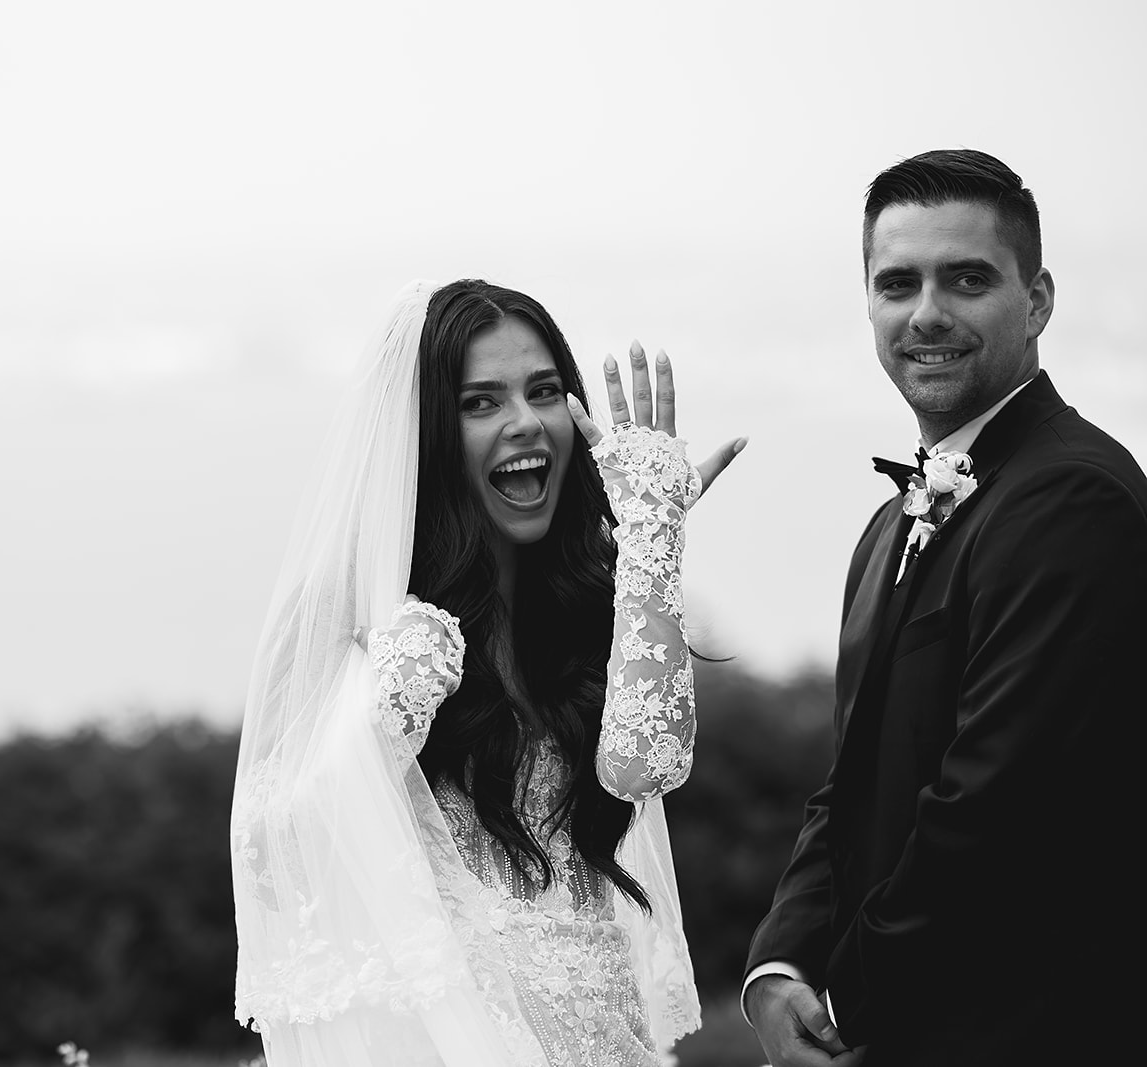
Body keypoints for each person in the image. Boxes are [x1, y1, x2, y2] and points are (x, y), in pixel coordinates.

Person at [231, 279, 744, 1066]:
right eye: (482, 402)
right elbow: (280, 849)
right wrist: (394, 698)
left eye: (544, 391)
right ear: (428, 434)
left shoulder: (586, 601)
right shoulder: (349, 608)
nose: (526, 422)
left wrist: (651, 541)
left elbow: (647, 764)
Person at [743, 149, 1147, 1066]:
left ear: (1037, 299)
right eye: (898, 283)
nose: (926, 313)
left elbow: (994, 808)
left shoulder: (1074, 499)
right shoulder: (891, 523)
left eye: (967, 279)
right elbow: (850, 786)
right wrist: (779, 966)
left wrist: (843, 1002)